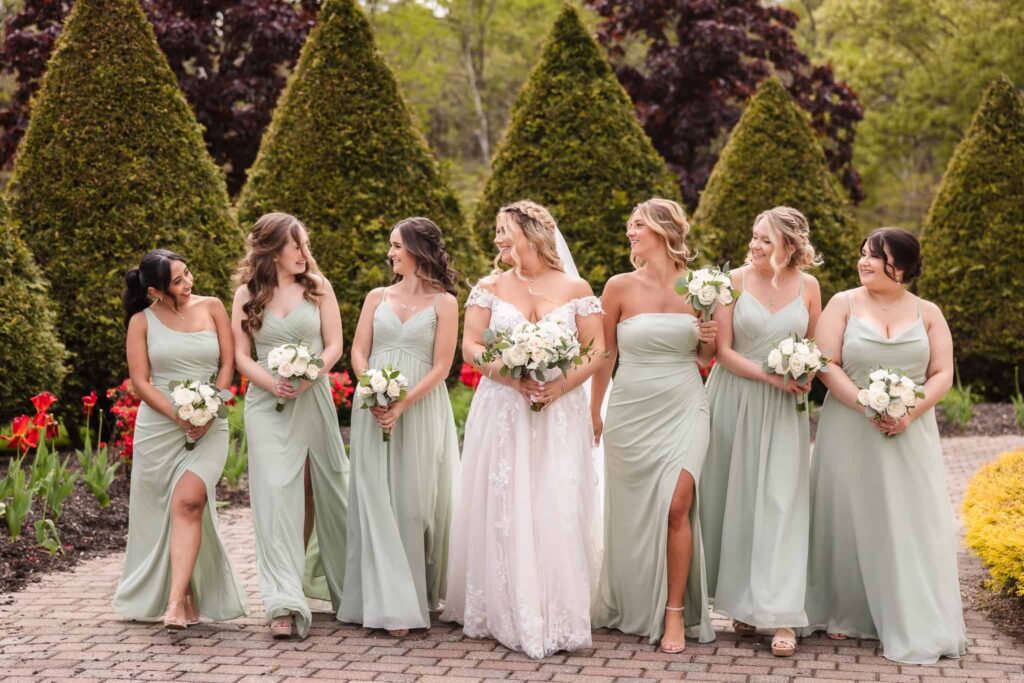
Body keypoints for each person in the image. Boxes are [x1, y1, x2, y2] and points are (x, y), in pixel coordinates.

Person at [442, 200, 605, 658]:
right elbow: (470, 346)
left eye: (504, 230)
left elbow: (597, 350)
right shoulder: (489, 287)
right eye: (497, 230)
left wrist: (560, 387)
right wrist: (510, 375)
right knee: (506, 498)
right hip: (503, 407)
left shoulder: (575, 288)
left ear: (532, 234)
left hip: (559, 409)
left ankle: (556, 608)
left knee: (554, 497)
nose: (498, 239)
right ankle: (504, 606)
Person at [801, 228, 967, 663]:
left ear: (904, 266)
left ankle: (904, 609)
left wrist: (908, 413)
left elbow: (942, 373)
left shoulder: (929, 312)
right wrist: (865, 404)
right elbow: (826, 363)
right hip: (850, 425)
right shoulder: (843, 303)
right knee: (848, 511)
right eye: (863, 254)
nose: (865, 262)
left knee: (906, 517)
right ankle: (843, 609)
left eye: (876, 256)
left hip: (909, 431)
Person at [591, 198, 717, 653]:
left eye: (637, 225)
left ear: (664, 231)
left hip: (685, 404)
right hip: (630, 411)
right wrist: (595, 410)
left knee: (677, 505)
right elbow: (605, 355)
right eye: (630, 225)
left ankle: (675, 613)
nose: (630, 233)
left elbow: (704, 360)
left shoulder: (701, 288)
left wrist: (708, 339)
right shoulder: (618, 287)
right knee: (635, 514)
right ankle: (636, 600)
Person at [700, 207, 822, 656]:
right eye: (753, 237)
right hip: (733, 398)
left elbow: (813, 348)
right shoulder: (732, 282)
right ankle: (743, 606)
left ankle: (783, 614)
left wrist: (805, 372)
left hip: (785, 408)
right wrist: (773, 377)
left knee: (781, 502)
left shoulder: (809, 287)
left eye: (765, 240)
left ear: (790, 246)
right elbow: (723, 352)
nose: (754, 246)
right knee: (736, 499)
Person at [114, 249, 248, 629]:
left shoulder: (213, 307)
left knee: (189, 502)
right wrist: (180, 414)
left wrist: (209, 409)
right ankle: (184, 591)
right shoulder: (141, 322)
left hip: (210, 425)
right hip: (159, 428)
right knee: (164, 512)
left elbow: (227, 363)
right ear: (156, 291)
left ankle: (174, 604)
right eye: (178, 281)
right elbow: (140, 381)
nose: (189, 283)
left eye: (188, 273)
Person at [340, 217, 461, 635]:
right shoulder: (377, 296)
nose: (389, 253)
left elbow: (443, 366)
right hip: (372, 406)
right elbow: (359, 350)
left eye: (396, 246)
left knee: (413, 506)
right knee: (374, 499)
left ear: (417, 250)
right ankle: (384, 603)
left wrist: (403, 403)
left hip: (421, 407)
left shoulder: (445, 302)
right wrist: (371, 387)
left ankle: (414, 595)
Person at [231, 212, 349, 639]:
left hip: (312, 397)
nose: (303, 253)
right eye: (295, 245)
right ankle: (282, 600)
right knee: (276, 493)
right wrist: (273, 383)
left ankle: (326, 584)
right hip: (266, 402)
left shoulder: (318, 288)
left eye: (305, 244)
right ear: (272, 250)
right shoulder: (248, 293)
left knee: (321, 489)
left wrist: (312, 371)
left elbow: (335, 343)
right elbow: (242, 355)